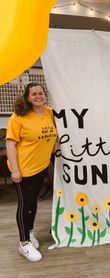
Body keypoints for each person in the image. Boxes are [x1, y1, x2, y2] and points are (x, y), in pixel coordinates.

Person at [6, 83, 57, 262]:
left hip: (41, 167)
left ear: (45, 95)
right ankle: (23, 243)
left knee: (33, 203)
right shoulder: (19, 117)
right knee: (25, 205)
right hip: (24, 170)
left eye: (40, 93)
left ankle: (29, 231)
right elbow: (10, 143)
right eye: (34, 94)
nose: (38, 96)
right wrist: (15, 169)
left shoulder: (50, 113)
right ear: (27, 97)